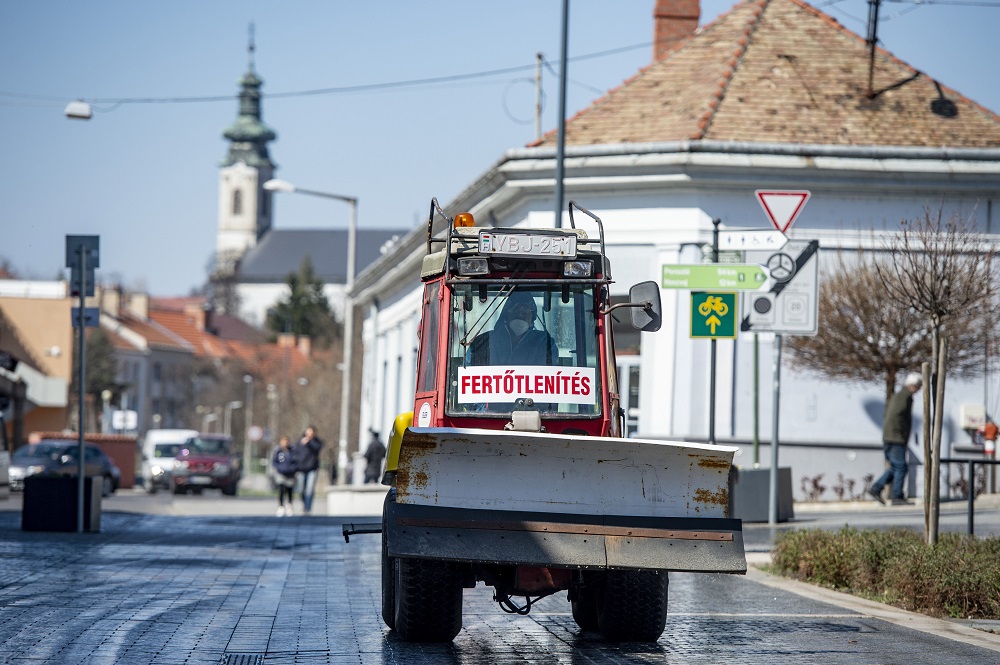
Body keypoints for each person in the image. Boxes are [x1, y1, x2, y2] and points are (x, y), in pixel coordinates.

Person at [868, 372, 922, 506]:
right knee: (901, 467)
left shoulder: (898, 395)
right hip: (896, 438)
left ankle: (876, 488)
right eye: (919, 387)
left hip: (889, 437)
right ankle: (897, 496)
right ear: (913, 386)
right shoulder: (906, 397)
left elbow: (888, 414)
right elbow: (897, 417)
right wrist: (902, 435)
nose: (919, 390)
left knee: (896, 466)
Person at [466, 290, 559, 366]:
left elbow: (550, 376)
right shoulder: (482, 342)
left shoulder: (545, 343)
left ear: (533, 315)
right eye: (515, 309)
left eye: (526, 309)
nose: (520, 314)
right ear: (506, 314)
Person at [293, 425, 323, 515]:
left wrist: (309, 442)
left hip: (312, 469)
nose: (309, 434)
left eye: (311, 432)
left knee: (309, 489)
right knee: (301, 489)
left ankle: (308, 508)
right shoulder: (299, 442)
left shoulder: (316, 442)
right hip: (301, 468)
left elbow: (318, 448)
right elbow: (295, 453)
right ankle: (304, 504)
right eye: (308, 432)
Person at [271, 436, 297, 516]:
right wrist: (279, 468)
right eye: (283, 441)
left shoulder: (292, 451)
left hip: (290, 474)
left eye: (286, 441)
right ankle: (281, 506)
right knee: (281, 490)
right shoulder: (278, 451)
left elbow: (296, 461)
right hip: (281, 473)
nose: (285, 443)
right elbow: (274, 462)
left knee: (289, 490)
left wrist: (293, 469)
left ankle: (289, 505)